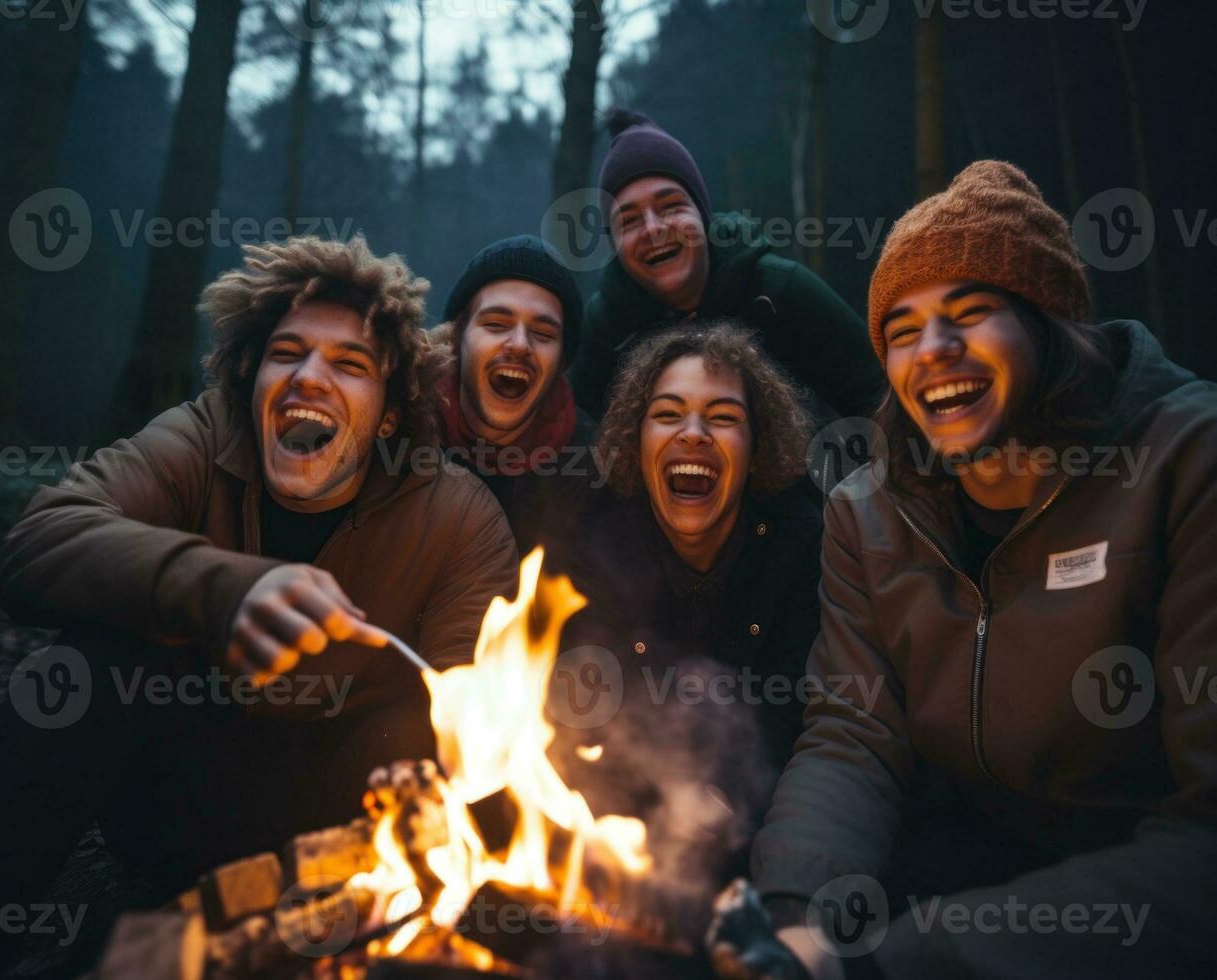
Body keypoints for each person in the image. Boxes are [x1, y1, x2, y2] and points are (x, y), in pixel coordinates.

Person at [0, 235, 519, 975]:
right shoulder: (204, 436)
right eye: (285, 353)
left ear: (391, 413)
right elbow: (40, 538)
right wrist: (220, 588)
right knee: (88, 668)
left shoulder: (459, 514)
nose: (307, 378)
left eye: (349, 365)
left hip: (347, 824)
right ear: (250, 375)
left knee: (412, 729)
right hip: (177, 797)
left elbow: (478, 717)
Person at [708, 162, 1217, 979]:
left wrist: (903, 959)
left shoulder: (1185, 464)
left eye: (970, 314)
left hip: (1135, 907)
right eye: (900, 330)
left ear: (1050, 325)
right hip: (950, 865)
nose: (933, 351)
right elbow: (853, 738)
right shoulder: (866, 513)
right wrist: (799, 916)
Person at [553, 320, 822, 887]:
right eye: (668, 414)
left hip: (770, 838)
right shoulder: (594, 544)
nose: (694, 433)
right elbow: (585, 722)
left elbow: (809, 729)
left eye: (723, 417)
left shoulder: (806, 543)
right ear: (637, 439)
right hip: (629, 840)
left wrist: (725, 808)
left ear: (758, 447)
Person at [568, 110, 884, 424]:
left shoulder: (777, 291)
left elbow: (880, 400)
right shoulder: (605, 328)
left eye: (670, 207)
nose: (653, 229)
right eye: (629, 220)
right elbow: (577, 434)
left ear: (703, 216)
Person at [429, 235, 598, 561]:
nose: (520, 344)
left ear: (561, 360)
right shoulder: (395, 436)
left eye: (543, 333)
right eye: (496, 324)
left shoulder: (594, 472)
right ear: (455, 338)